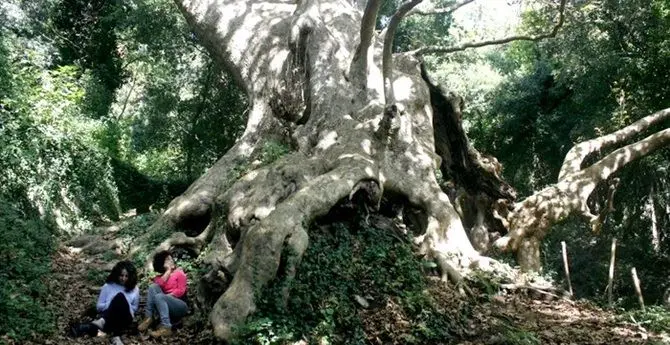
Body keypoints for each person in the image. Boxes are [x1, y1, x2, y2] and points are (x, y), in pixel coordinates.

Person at [69, 260, 139, 345]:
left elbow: (134, 309)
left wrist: (124, 303)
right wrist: (111, 302)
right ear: (117, 274)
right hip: (109, 316)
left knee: (120, 297)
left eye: (126, 276)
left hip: (125, 317)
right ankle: (114, 336)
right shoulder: (108, 286)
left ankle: (99, 323)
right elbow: (99, 307)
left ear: (131, 276)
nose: (123, 278)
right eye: (121, 275)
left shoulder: (135, 289)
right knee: (117, 300)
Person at [137, 250, 189, 338]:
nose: (171, 260)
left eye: (171, 258)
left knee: (159, 297)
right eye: (167, 260)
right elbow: (159, 284)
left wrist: (166, 297)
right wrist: (168, 271)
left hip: (180, 305)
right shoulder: (159, 278)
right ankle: (148, 318)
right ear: (162, 264)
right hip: (164, 305)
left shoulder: (179, 273)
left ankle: (166, 327)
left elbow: (181, 291)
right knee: (152, 287)